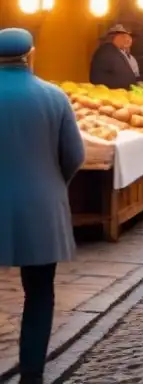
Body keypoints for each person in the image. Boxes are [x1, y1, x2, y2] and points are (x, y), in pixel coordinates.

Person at [0, 28, 84, 384]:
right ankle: (32, 373)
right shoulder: (54, 96)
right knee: (39, 291)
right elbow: (75, 156)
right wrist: (52, 183)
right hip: (40, 205)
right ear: (31, 54)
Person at [89, 24, 143, 90]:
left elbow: (131, 75)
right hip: (109, 94)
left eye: (130, 37)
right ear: (112, 37)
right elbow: (120, 73)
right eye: (123, 36)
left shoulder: (120, 53)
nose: (128, 39)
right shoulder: (107, 51)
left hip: (124, 93)